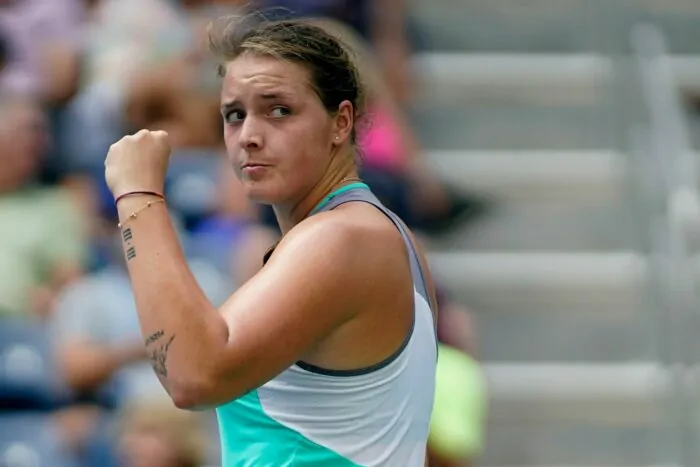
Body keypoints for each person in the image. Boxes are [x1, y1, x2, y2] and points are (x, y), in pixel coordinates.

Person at [102, 14, 438, 467]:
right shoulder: (376, 233)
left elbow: (192, 376)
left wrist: (138, 195)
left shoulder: (341, 238)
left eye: (278, 110)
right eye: (234, 115)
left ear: (341, 122)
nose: (249, 137)